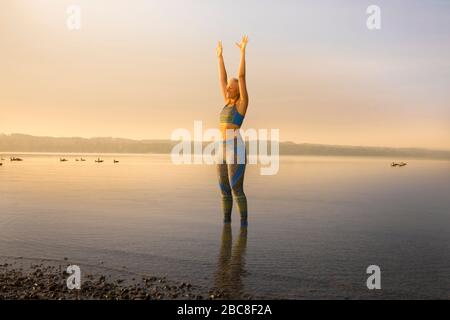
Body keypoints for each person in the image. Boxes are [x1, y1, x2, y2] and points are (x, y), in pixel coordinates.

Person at [216, 35, 249, 227]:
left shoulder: (242, 104)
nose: (227, 88)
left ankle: (243, 227)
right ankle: (226, 226)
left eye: (231, 86)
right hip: (221, 147)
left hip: (235, 147)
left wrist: (243, 52)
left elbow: (242, 77)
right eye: (227, 86)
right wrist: (220, 57)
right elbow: (222, 77)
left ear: (238, 91)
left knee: (237, 189)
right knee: (223, 189)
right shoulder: (227, 101)